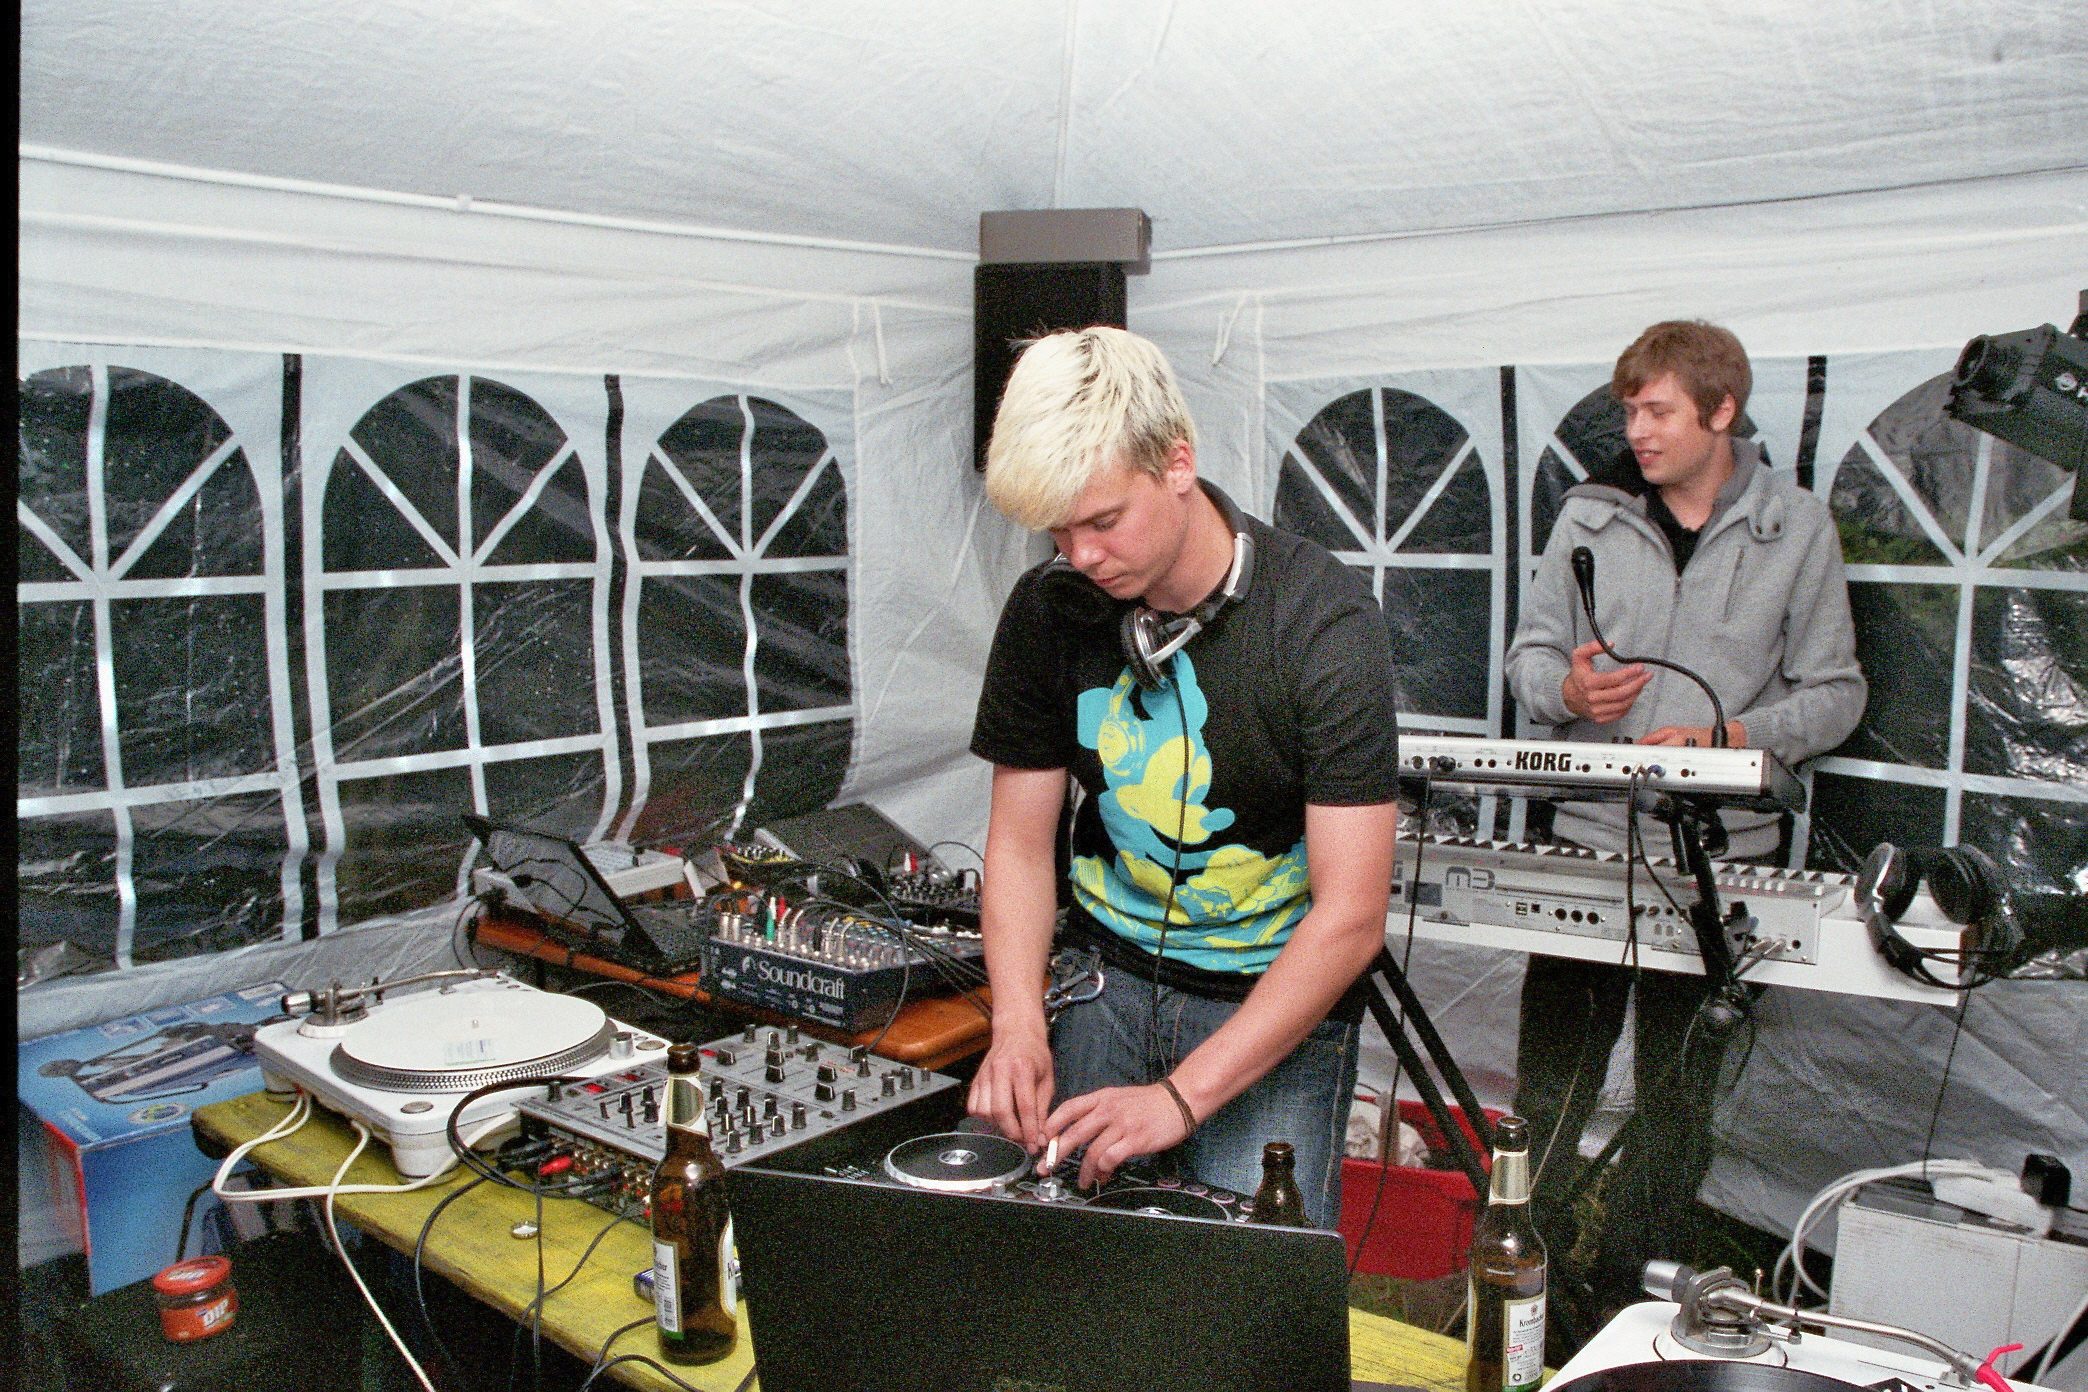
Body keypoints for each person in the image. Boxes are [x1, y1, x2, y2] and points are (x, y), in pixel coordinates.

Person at [966, 326, 1402, 1226]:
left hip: (1270, 1008)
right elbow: (1017, 845)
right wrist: (1017, 1025)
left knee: (1244, 1294)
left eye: (1102, 521)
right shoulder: (1048, 612)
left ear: (1177, 463)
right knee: (1058, 1269)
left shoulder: (1321, 625)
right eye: (1057, 530)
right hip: (1099, 985)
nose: (1081, 556)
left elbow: (1353, 916)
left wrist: (1179, 1097)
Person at [1504, 319, 1866, 1299]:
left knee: (1676, 1104)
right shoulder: (1588, 517)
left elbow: (1838, 693)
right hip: (1587, 842)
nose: (1637, 430)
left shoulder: (1798, 528)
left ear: (1722, 411)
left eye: (1658, 411)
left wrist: (1730, 739)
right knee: (1550, 1091)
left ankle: (1627, 1294)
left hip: (1720, 861)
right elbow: (1529, 658)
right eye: (1630, 410)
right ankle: (1517, 1283)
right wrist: (1566, 693)